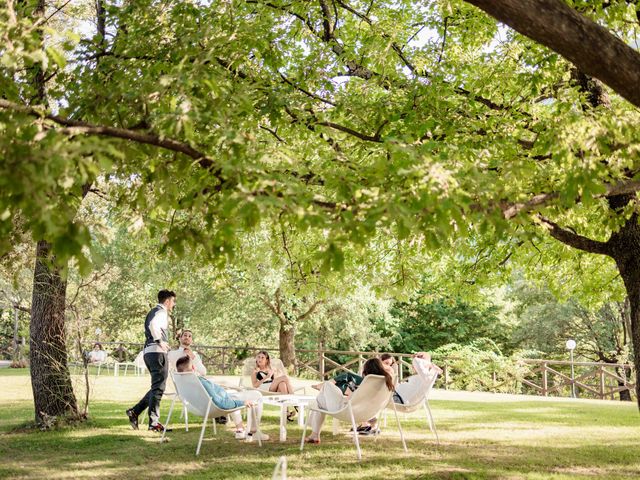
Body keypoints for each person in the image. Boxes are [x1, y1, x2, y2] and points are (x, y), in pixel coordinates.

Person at [176, 355, 269, 441]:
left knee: (234, 392)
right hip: (216, 405)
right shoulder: (201, 382)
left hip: (204, 406)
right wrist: (242, 403)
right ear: (193, 367)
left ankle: (240, 430)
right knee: (257, 395)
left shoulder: (186, 382)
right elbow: (221, 403)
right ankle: (255, 431)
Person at [304, 357, 394, 444]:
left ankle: (314, 434)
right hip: (368, 414)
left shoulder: (368, 381)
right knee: (320, 401)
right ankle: (314, 435)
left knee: (327, 386)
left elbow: (353, 399)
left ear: (366, 370)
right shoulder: (385, 382)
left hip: (348, 411)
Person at [126, 289, 176, 432]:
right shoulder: (161, 312)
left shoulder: (153, 311)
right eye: (173, 301)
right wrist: (160, 340)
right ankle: (153, 423)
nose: (173, 304)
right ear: (167, 301)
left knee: (157, 387)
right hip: (157, 351)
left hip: (149, 352)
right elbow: (153, 326)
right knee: (159, 387)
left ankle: (135, 411)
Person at [251, 350, 297, 421]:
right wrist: (267, 377)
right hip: (264, 388)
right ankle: (294, 401)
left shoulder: (271, 369)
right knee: (285, 377)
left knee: (283, 384)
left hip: (272, 386)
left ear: (266, 360)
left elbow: (275, 380)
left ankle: (286, 412)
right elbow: (255, 385)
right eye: (258, 357)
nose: (260, 359)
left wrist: (276, 373)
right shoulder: (255, 371)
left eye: (262, 358)